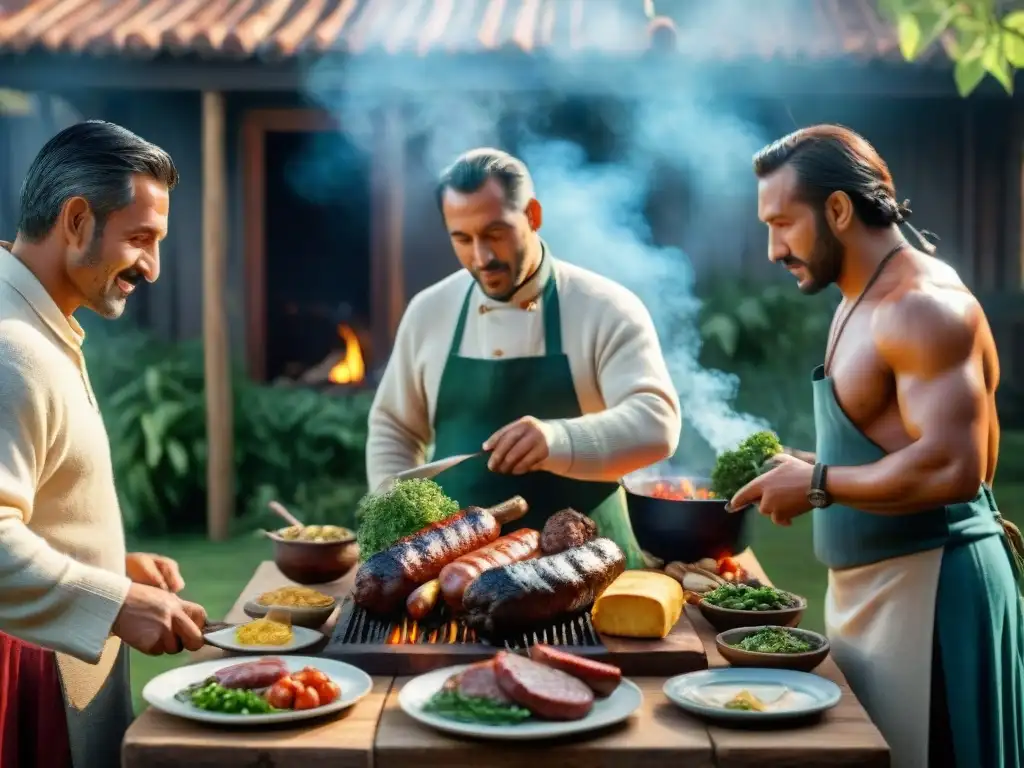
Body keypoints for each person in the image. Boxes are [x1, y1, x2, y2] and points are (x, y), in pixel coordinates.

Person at [729, 124, 1024, 768]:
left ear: (838, 209)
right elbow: (890, 439)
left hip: (933, 592)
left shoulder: (921, 306)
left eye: (783, 223)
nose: (773, 249)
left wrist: (817, 485)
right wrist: (810, 463)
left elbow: (953, 464)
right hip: (873, 596)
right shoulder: (856, 297)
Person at [0, 121, 209, 768]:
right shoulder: (14, 351)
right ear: (77, 219)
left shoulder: (38, 323)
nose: (151, 266)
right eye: (140, 239)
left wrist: (108, 562)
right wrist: (114, 602)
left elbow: (39, 501)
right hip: (32, 684)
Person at [366, 148, 681, 568]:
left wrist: (558, 441)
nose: (481, 257)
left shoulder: (606, 307)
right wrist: (401, 522)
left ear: (532, 215)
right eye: (462, 238)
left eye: (495, 232)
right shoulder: (429, 311)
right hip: (456, 574)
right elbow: (394, 427)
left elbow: (656, 421)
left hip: (594, 570)